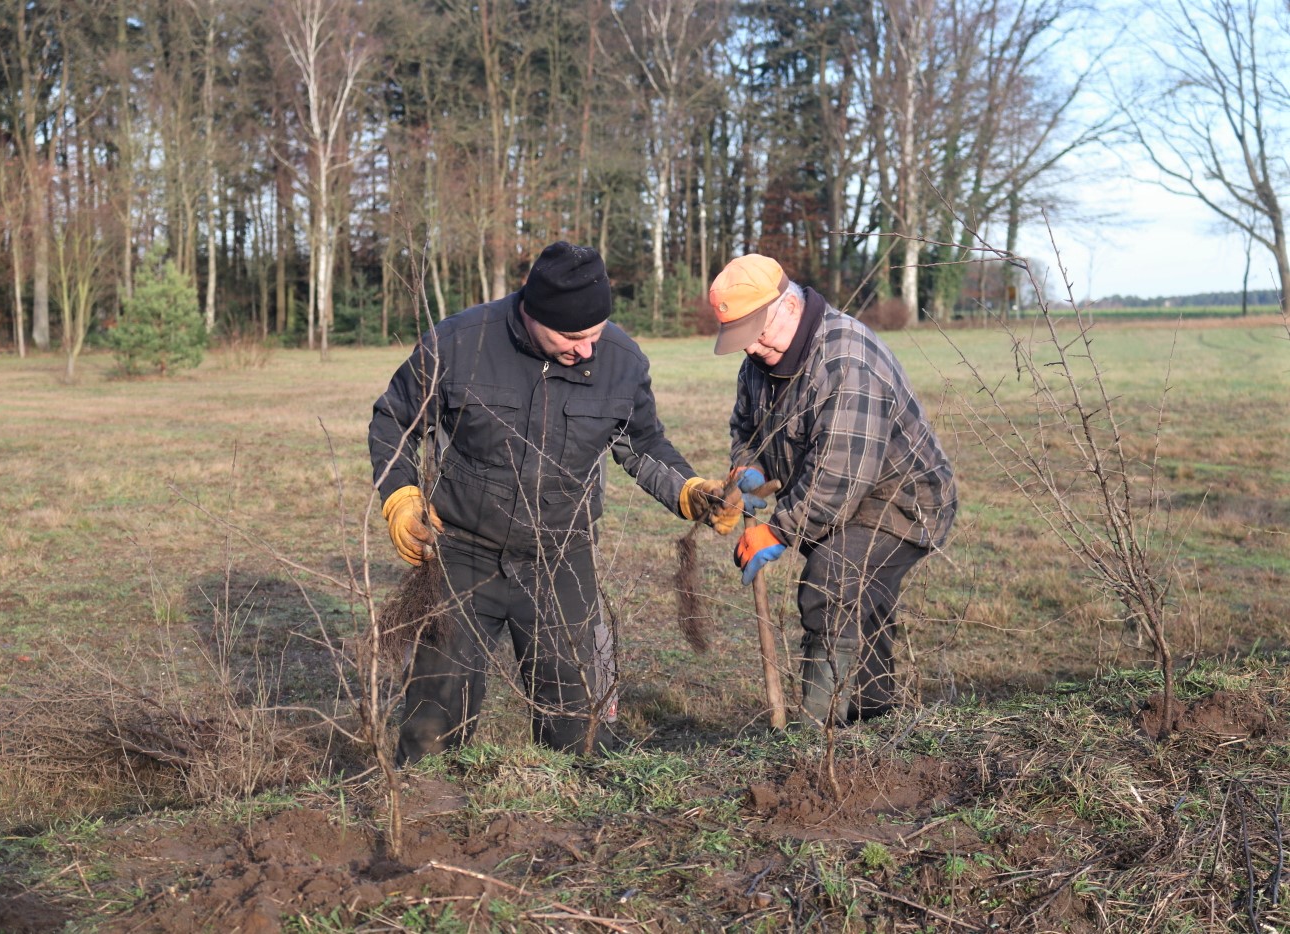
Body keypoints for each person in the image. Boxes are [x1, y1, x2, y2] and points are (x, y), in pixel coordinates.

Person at [370, 241, 740, 764]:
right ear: (531, 310)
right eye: (571, 337)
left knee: (579, 733)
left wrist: (691, 491)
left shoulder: (622, 361)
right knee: (431, 727)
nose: (586, 350)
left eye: (595, 334)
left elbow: (641, 444)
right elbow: (394, 420)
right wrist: (401, 498)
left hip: (562, 557)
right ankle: (423, 801)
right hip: (461, 554)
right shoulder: (459, 343)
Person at [710, 254, 958, 725]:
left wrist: (777, 532)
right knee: (859, 600)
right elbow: (745, 427)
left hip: (902, 501)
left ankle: (814, 736)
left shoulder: (845, 362)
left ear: (787, 306)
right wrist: (751, 467)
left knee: (830, 583)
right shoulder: (759, 362)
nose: (752, 348)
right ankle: (872, 714)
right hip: (841, 499)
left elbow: (837, 481)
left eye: (757, 333)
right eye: (742, 339)